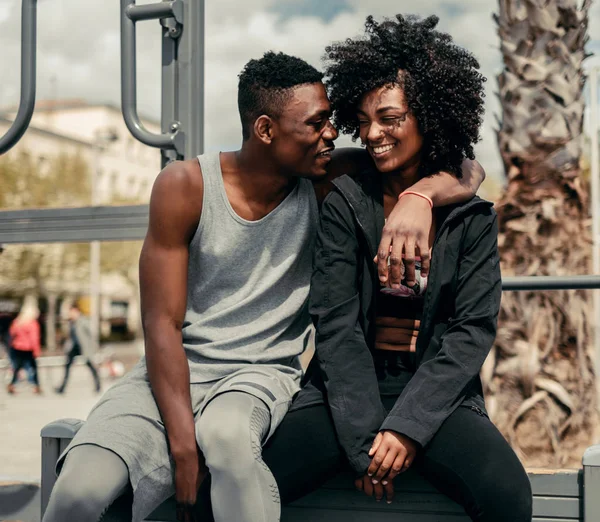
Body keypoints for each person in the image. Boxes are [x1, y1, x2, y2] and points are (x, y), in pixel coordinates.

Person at [42, 51, 484, 522]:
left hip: (259, 374)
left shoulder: (326, 178)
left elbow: (465, 169)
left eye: (331, 120)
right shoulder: (185, 186)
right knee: (77, 494)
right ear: (266, 130)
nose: (332, 133)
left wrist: (419, 196)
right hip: (168, 374)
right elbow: (161, 323)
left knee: (229, 443)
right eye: (316, 123)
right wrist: (182, 446)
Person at [309, 14, 532, 522]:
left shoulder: (471, 216)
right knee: (258, 473)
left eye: (389, 118)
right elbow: (336, 324)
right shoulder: (346, 202)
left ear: (429, 114)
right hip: (347, 387)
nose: (372, 133)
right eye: (363, 121)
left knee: (509, 495)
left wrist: (408, 427)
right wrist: (365, 440)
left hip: (435, 391)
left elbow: (471, 330)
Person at [55, 303, 101, 394]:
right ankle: (62, 387)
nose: (70, 314)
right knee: (67, 365)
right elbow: (71, 337)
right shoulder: (72, 323)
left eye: (72, 312)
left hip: (84, 348)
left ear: (77, 311)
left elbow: (92, 335)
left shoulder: (83, 321)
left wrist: (94, 348)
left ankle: (98, 386)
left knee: (91, 366)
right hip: (75, 347)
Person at [7, 295, 42, 394]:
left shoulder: (17, 322)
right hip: (28, 348)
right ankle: (36, 386)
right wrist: (37, 350)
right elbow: (34, 338)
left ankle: (12, 384)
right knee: (34, 368)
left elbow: (12, 333)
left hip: (17, 347)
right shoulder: (33, 323)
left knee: (17, 367)